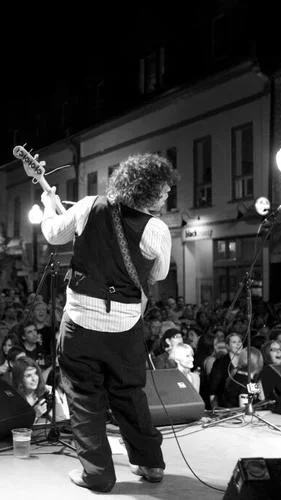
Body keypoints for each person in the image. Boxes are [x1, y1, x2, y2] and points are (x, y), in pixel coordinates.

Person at [40, 152, 178, 492]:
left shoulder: (89, 205)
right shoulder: (157, 229)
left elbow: (54, 234)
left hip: (80, 323)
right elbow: (158, 273)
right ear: (147, 189)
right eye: (163, 189)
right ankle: (150, 462)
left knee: (84, 396)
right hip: (125, 327)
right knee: (130, 393)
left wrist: (47, 205)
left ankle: (97, 473)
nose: (167, 194)